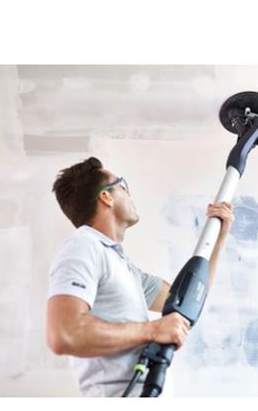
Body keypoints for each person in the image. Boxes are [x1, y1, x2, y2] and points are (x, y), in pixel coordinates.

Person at [46, 157, 234, 397]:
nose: (129, 193)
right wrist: (152, 331)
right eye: (123, 185)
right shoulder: (82, 246)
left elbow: (190, 301)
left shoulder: (124, 267)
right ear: (106, 197)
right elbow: (64, 334)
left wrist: (218, 237)